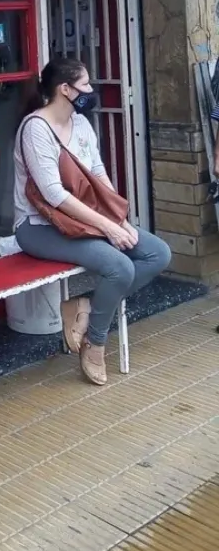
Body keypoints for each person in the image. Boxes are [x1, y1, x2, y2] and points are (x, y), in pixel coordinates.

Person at [13, 58, 170, 386]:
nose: (91, 91)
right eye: (84, 85)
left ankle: (86, 307)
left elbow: (97, 173)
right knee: (121, 267)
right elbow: (53, 195)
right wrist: (108, 227)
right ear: (65, 90)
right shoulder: (35, 129)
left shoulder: (80, 123)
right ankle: (95, 342)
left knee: (158, 253)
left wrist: (119, 219)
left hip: (84, 220)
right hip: (40, 227)